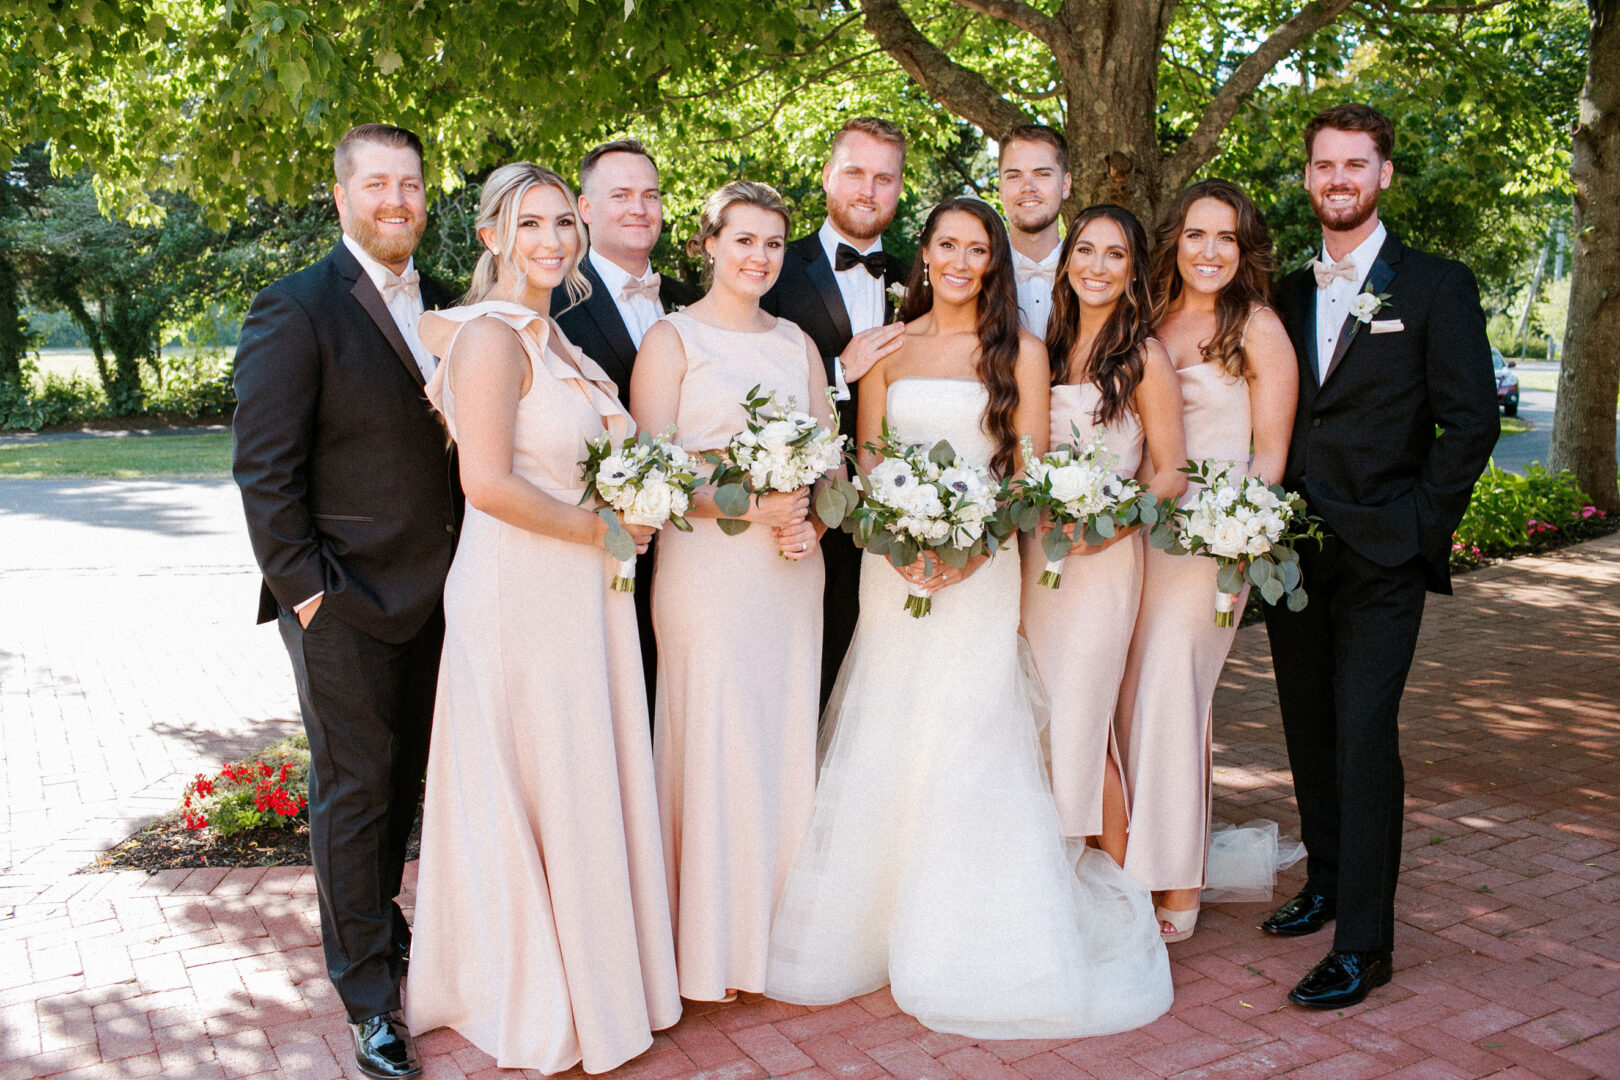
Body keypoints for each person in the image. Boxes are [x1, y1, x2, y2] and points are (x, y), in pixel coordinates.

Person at [765, 197, 1172, 1037]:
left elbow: (1026, 470)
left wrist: (971, 546)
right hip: (895, 571)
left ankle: (970, 928)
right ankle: (871, 920)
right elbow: (870, 461)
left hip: (983, 571)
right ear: (927, 253)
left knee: (973, 727)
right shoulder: (887, 348)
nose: (960, 261)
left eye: (976, 249)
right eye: (947, 244)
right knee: (892, 723)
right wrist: (900, 543)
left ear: (992, 263)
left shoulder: (1018, 352)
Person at [403, 163, 680, 1072]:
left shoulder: (563, 343)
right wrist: (604, 529)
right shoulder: (488, 339)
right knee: (537, 773)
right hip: (520, 585)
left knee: (579, 773)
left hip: (581, 587)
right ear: (491, 237)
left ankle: (599, 975)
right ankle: (529, 986)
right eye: (531, 225)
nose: (553, 241)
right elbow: (486, 485)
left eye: (564, 222)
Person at [232, 123, 458, 1080]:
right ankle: (369, 1001)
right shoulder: (296, 308)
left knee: (406, 788)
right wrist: (311, 599)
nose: (396, 200)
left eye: (410, 183)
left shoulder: (456, 308)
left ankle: (388, 925)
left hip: (445, 597)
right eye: (377, 185)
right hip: (345, 604)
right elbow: (264, 474)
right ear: (342, 197)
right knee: (355, 796)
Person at [1263, 103, 1498, 1008]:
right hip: (1293, 557)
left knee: (1364, 740)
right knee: (1308, 729)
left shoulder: (1436, 285)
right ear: (1310, 177)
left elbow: (1470, 420)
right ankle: (1325, 881)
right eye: (1324, 165)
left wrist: (1415, 527)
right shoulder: (1283, 291)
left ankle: (1365, 943)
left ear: (1384, 175)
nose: (1338, 181)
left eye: (1354, 165)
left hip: (1383, 559)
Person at [630, 180, 837, 1003]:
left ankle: (777, 937)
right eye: (742, 239)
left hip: (790, 569)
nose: (758, 256)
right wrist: (751, 505)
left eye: (773, 244)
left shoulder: (797, 344)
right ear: (708, 244)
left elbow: (830, 459)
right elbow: (649, 475)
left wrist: (813, 519)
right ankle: (709, 944)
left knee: (782, 733)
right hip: (707, 571)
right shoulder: (672, 340)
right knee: (714, 737)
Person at [1113, 179, 1298, 943]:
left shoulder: (1256, 327)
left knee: (1172, 696)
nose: (1210, 251)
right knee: (1128, 697)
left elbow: (1270, 456)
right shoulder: (1145, 320)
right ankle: (1130, 866)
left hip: (1209, 548)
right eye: (1196, 235)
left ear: (1243, 248)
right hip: (1134, 540)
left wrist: (1239, 544)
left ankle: (1179, 887)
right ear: (1175, 242)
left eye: (1226, 237)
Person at [1019, 204, 1186, 863]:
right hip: (1040, 557)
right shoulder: (1045, 348)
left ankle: (1125, 898)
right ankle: (1061, 877)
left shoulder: (1143, 355)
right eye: (1085, 250)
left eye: (1114, 255)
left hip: (1105, 559)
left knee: (1083, 725)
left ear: (1133, 273)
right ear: (1067, 263)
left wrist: (1110, 524)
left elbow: (1174, 472)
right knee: (1043, 722)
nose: (1096, 266)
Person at [762, 117, 911, 709]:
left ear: (899, 188)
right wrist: (835, 371)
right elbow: (744, 374)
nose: (867, 190)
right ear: (827, 176)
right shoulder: (774, 265)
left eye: (884, 178)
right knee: (804, 680)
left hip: (902, 514)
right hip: (802, 512)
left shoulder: (920, 276)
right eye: (854, 173)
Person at [551, 138, 702, 715]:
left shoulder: (693, 304)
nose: (639, 208)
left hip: (694, 547)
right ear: (586, 210)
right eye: (621, 195)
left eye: (650, 195)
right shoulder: (554, 304)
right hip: (595, 544)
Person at [998, 124, 1073, 339]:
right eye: (1014, 176)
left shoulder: (1092, 274)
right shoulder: (977, 272)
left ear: (1065, 185)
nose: (1028, 187)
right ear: (1000, 188)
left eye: (1042, 174)